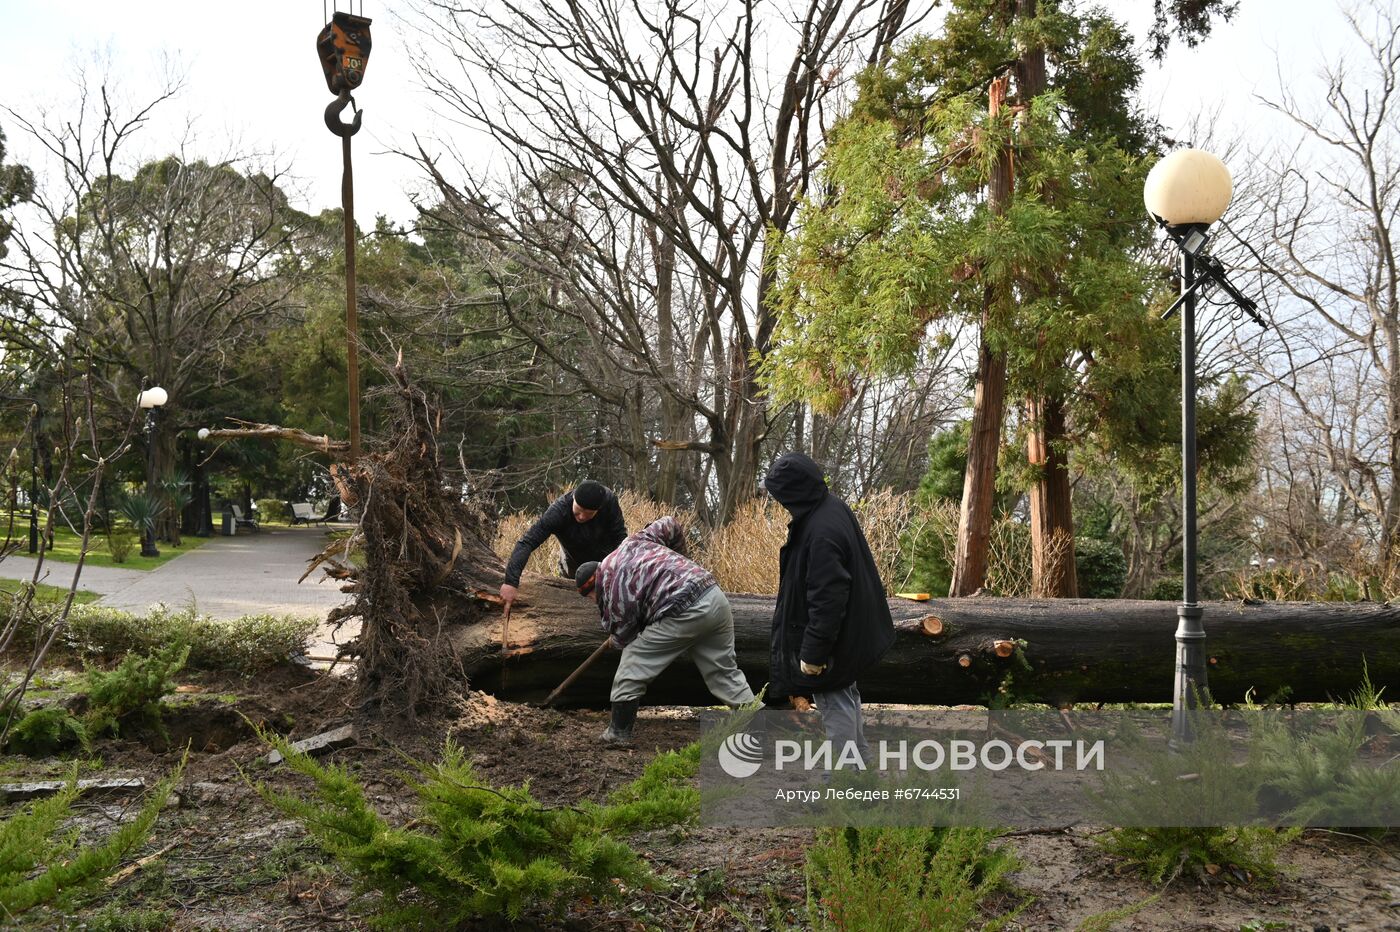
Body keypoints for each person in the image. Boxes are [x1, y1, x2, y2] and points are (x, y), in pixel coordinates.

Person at [763, 452, 894, 767]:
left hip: (837, 640)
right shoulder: (829, 508)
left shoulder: (821, 531)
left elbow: (827, 599)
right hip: (851, 634)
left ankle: (844, 786)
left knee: (836, 710)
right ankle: (861, 775)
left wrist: (813, 654)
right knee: (846, 702)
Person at [575, 516, 755, 745]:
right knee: (724, 672)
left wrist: (616, 638)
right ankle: (757, 726)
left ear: (591, 588)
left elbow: (625, 637)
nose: (593, 602)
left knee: (632, 664)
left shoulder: (611, 586)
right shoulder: (633, 542)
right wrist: (683, 561)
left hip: (682, 610)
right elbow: (671, 524)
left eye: (590, 598)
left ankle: (618, 733)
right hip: (713, 595)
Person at [499, 481, 627, 611]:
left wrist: (620, 569)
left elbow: (620, 537)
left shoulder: (609, 501)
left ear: (598, 509)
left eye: (589, 513)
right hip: (572, 567)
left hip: (604, 562)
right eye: (579, 510)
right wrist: (510, 582)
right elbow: (527, 543)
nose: (582, 517)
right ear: (574, 500)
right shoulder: (558, 512)